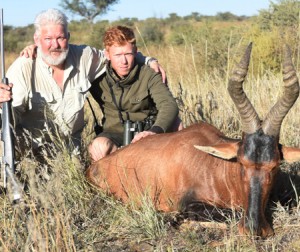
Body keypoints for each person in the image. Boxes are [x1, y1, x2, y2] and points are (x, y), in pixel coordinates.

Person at [0, 9, 165, 157]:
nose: (55, 45)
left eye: (60, 38)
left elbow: (117, 53)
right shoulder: (23, 66)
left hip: (71, 154)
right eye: (48, 38)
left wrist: (147, 59)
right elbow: (10, 119)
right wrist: (1, 104)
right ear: (37, 40)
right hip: (32, 153)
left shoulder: (84, 56)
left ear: (68, 37)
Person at [88, 25, 181, 162]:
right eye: (118, 55)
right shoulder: (96, 76)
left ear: (136, 52)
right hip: (114, 133)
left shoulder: (149, 73)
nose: (123, 61)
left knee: (177, 125)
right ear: (107, 55)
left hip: (147, 132)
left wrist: (154, 131)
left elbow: (169, 105)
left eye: (128, 54)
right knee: (98, 146)